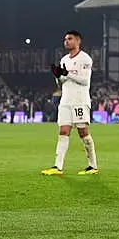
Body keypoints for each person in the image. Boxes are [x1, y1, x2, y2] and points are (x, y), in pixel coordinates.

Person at [41, 30, 98, 176]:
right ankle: (57, 167)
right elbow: (61, 84)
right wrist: (57, 76)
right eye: (65, 39)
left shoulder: (85, 59)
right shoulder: (64, 60)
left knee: (83, 132)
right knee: (63, 131)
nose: (66, 41)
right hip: (65, 100)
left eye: (70, 39)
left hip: (80, 100)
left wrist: (67, 73)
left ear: (78, 41)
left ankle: (93, 166)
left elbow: (85, 80)